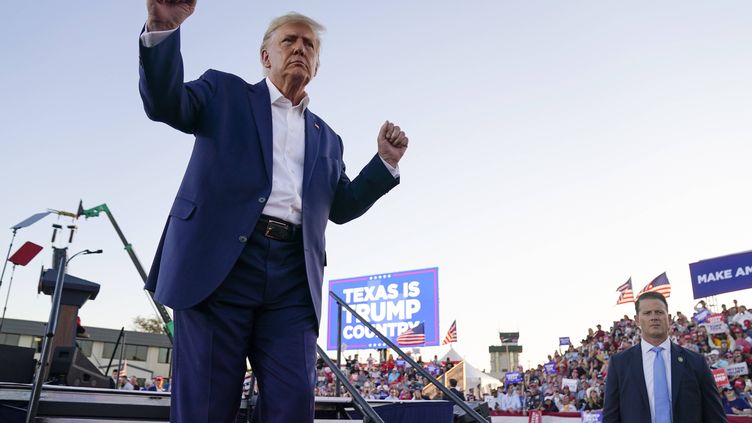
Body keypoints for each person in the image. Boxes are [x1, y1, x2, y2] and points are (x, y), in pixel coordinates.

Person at [138, 3, 408, 422]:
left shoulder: (328, 139)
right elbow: (165, 103)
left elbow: (341, 207)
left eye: (309, 44)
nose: (300, 48)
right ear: (266, 57)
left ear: (317, 64)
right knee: (204, 409)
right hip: (217, 271)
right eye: (290, 41)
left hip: (292, 281)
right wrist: (161, 29)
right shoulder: (223, 93)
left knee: (293, 403)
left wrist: (385, 163)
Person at [603, 291, 725, 422]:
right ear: (637, 320)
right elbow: (611, 417)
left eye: (659, 312)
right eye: (647, 313)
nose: (654, 317)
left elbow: (715, 415)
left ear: (669, 318)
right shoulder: (619, 363)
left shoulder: (696, 362)